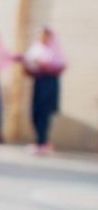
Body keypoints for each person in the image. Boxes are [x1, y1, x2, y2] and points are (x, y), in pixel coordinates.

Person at [23, 25, 66, 154]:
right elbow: (28, 66)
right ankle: (40, 141)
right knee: (35, 112)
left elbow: (61, 66)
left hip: (49, 84)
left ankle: (42, 142)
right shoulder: (36, 48)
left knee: (44, 113)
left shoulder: (55, 49)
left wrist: (45, 65)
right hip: (39, 82)